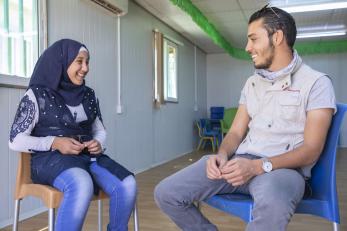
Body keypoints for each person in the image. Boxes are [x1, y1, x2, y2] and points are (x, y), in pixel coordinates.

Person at [154, 5, 336, 231]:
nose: (247, 47)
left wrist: (258, 166)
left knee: (272, 204)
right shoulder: (252, 83)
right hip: (238, 163)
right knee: (166, 193)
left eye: (253, 39)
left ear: (277, 37)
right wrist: (221, 155)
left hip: (281, 170)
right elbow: (236, 133)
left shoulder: (317, 83)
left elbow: (311, 149)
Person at [9, 39, 137, 231]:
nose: (85, 68)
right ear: (62, 61)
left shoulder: (89, 95)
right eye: (79, 61)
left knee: (127, 184)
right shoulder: (37, 95)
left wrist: (98, 143)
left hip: (88, 158)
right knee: (81, 183)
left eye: (87, 62)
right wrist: (55, 142)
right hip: (50, 160)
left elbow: (99, 130)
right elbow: (15, 140)